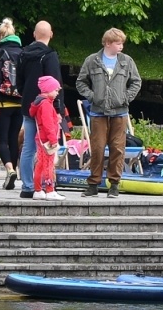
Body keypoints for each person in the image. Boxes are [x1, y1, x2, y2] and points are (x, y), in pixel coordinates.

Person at [74, 28, 142, 196]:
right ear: (107, 43)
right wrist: (92, 97)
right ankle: (93, 184)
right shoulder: (92, 60)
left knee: (118, 149)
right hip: (98, 112)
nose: (121, 46)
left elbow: (136, 82)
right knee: (97, 148)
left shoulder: (127, 61)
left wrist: (126, 98)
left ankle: (114, 184)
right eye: (118, 43)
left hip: (120, 112)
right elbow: (81, 82)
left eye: (122, 43)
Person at [17, 21, 63, 198]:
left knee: (28, 146)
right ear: (51, 34)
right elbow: (55, 83)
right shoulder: (49, 55)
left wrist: (27, 96)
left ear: (34, 35)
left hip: (30, 105)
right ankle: (47, 184)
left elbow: (18, 82)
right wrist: (58, 109)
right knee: (48, 147)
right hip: (47, 107)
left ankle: (28, 186)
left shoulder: (23, 54)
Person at [0, 21, 26, 191]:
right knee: (14, 140)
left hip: (3, 103)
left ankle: (9, 169)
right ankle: (12, 174)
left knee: (2, 140)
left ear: (0, 35)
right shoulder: (23, 53)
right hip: (20, 102)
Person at [31, 75, 63, 200]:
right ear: (47, 90)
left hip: (40, 139)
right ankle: (50, 190)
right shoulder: (46, 105)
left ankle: (38, 190)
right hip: (47, 140)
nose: (57, 93)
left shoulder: (40, 103)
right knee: (49, 165)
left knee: (40, 164)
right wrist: (53, 140)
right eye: (55, 90)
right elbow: (48, 124)